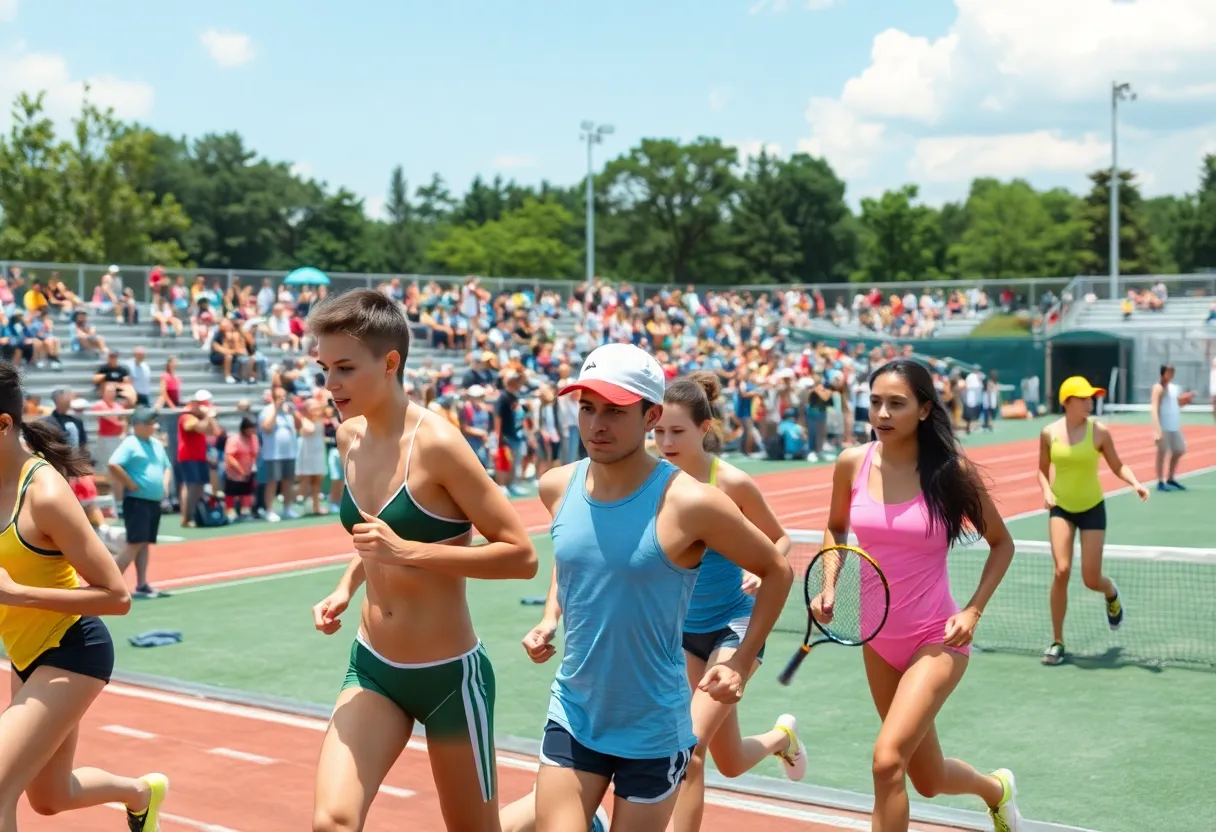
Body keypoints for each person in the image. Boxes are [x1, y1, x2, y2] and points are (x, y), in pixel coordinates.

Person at [515, 343, 793, 832]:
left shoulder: (692, 502)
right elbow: (576, 553)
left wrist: (744, 662)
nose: (597, 424)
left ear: (651, 416)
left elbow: (777, 569)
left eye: (615, 411)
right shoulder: (555, 486)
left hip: (653, 729)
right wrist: (549, 617)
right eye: (586, 408)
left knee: (713, 758)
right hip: (574, 712)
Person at [306, 288, 538, 832]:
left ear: (391, 363)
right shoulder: (349, 437)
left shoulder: (438, 445)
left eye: (344, 368)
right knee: (332, 823)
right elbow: (375, 536)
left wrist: (410, 552)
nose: (330, 385)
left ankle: (566, 811)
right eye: (323, 368)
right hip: (372, 667)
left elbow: (521, 555)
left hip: (449, 680)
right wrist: (346, 586)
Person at [822, 358, 1020, 832]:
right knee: (926, 777)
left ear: (925, 409)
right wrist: (829, 582)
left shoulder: (952, 473)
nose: (883, 414)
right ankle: (997, 790)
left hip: (938, 637)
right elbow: (835, 529)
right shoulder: (853, 461)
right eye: (875, 403)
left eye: (897, 404)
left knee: (887, 761)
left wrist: (973, 610)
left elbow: (1002, 544)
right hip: (878, 638)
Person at [0, 361, 168, 831]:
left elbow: (117, 596)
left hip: (73, 650)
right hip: (25, 654)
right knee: (51, 797)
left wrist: (19, 595)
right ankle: (140, 793)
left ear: (3, 424)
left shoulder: (45, 495)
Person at [652, 372, 807, 832]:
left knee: (689, 751)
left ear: (704, 428)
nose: (665, 441)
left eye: (677, 431)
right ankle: (782, 738)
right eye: (658, 431)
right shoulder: (652, 477)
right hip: (681, 630)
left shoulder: (732, 482)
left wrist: (761, 568)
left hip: (733, 625)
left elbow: (780, 539)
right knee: (732, 760)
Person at [1038, 376, 1150, 667]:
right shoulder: (1048, 433)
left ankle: (1110, 591)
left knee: (1091, 579)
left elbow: (1117, 465)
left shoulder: (1099, 432)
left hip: (1092, 508)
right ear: (1068, 401)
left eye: (1091, 397)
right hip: (1061, 507)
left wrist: (1135, 482)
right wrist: (1047, 490)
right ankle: (1057, 641)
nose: (1090, 402)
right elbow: (1041, 470)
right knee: (1061, 570)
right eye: (1084, 398)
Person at [108, 406, 174, 599]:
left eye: (153, 422)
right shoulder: (131, 443)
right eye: (148, 423)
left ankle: (142, 583)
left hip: (152, 500)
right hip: (137, 500)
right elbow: (114, 464)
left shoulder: (155, 444)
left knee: (144, 543)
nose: (153, 426)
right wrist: (130, 483)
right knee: (135, 543)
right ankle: (110, 583)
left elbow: (167, 467)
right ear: (136, 425)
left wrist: (165, 484)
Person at [1150, 364, 1193, 492]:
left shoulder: (1174, 388)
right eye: (1169, 372)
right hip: (1163, 426)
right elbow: (1154, 408)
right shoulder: (1158, 388)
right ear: (1162, 373)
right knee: (1162, 453)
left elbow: (1175, 404)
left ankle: (1170, 477)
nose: (1171, 375)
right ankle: (1160, 481)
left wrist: (1184, 401)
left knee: (1180, 449)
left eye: (1173, 372)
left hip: (1174, 425)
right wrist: (1157, 430)